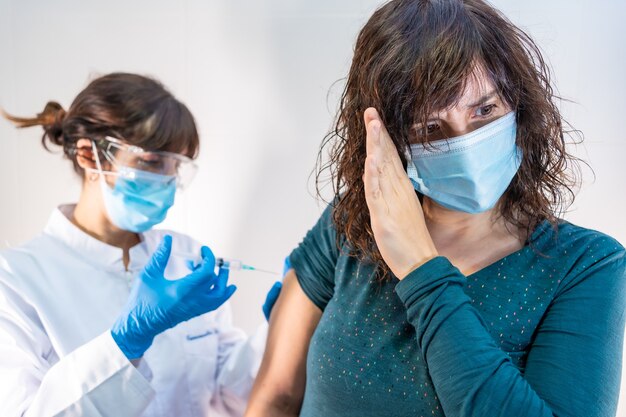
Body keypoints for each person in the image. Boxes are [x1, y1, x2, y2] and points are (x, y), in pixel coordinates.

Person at [245, 1, 626, 416]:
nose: (465, 142)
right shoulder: (351, 222)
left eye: (484, 110)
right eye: (429, 128)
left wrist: (421, 269)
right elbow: (276, 397)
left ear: (520, 105)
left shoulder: (586, 266)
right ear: (387, 138)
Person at [0, 73, 275, 417]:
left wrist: (278, 330)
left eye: (176, 167)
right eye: (151, 162)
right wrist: (124, 343)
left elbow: (230, 396)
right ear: (88, 156)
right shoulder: (15, 281)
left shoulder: (186, 257)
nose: (167, 183)